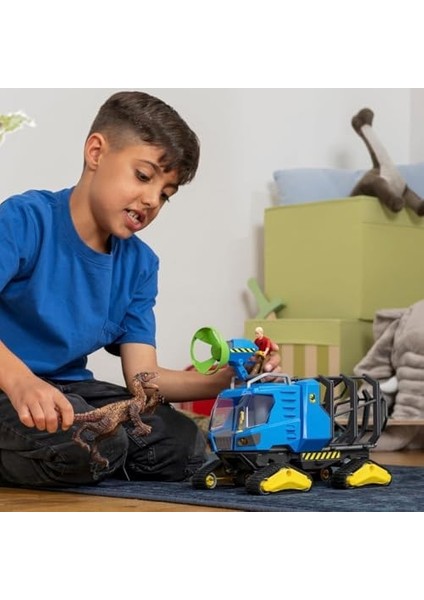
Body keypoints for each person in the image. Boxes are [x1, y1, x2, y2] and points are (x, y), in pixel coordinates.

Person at [0, 91, 280, 488]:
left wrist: (224, 380)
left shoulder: (140, 264)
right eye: (144, 176)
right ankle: (86, 457)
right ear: (96, 152)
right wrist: (20, 381)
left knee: (183, 444)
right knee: (88, 443)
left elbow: (144, 379)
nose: (151, 200)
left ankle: (91, 459)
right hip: (7, 384)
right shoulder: (24, 220)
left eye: (165, 194)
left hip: (70, 391)